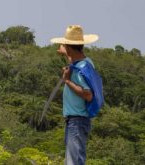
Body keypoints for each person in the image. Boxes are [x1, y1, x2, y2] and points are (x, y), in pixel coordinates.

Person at [50, 25, 99, 165]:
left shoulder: (80, 69)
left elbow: (88, 94)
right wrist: (66, 53)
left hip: (77, 121)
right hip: (76, 120)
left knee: (73, 161)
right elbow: (74, 62)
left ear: (70, 48)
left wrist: (66, 80)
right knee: (73, 159)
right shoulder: (86, 62)